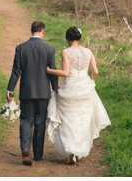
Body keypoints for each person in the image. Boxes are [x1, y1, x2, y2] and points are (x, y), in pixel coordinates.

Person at [45, 26, 111, 164]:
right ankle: (78, 150)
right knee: (83, 121)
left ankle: (71, 152)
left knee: (69, 121)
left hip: (70, 89)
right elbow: (96, 71)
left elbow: (65, 73)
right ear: (79, 37)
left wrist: (50, 70)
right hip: (85, 89)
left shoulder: (66, 52)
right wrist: (90, 82)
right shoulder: (88, 51)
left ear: (67, 38)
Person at [6, 20, 59, 166]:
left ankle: (25, 150)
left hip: (27, 92)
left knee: (26, 120)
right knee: (40, 122)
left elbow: (16, 71)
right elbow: (53, 70)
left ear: (31, 31)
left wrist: (9, 90)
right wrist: (55, 89)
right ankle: (38, 154)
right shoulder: (49, 48)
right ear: (43, 31)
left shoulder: (21, 48)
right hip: (43, 92)